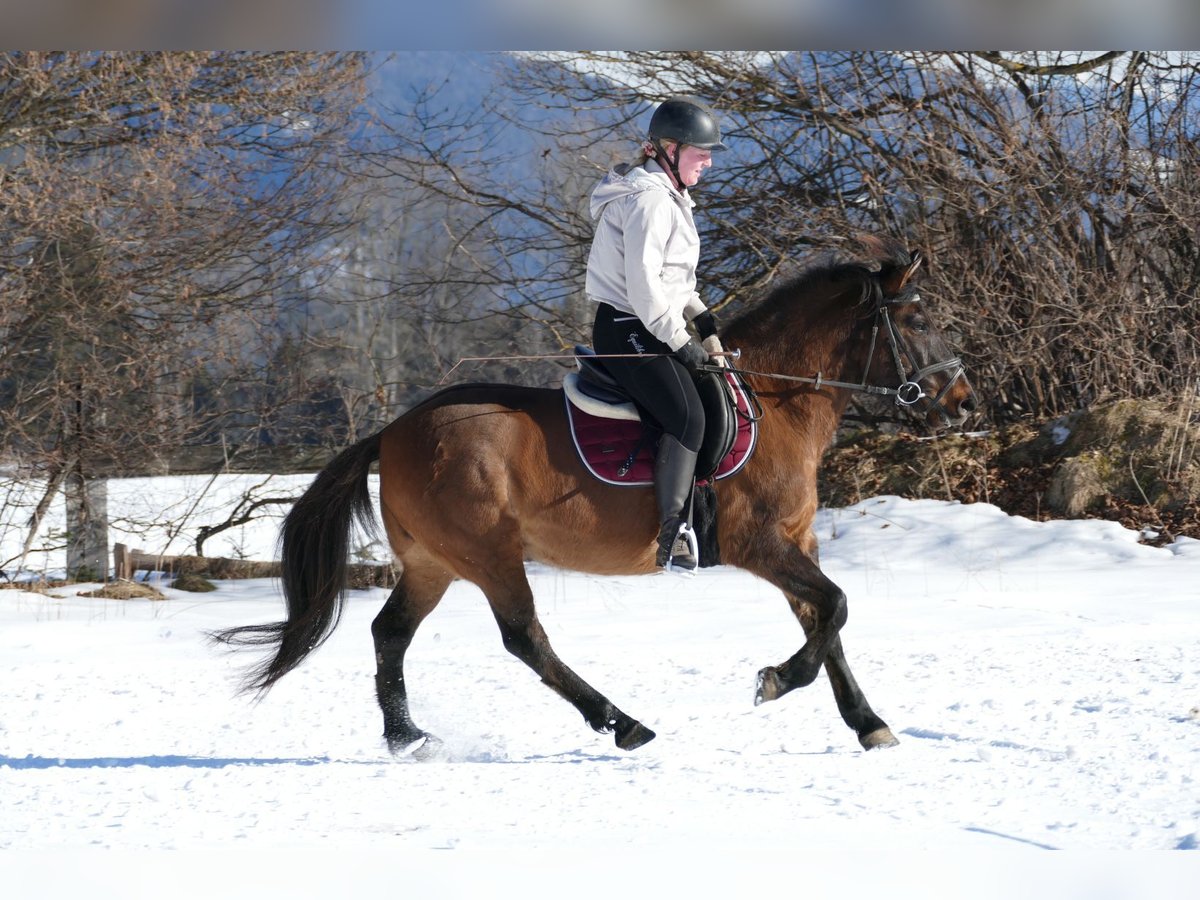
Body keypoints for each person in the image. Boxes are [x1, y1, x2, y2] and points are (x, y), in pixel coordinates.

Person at [584, 95, 728, 572]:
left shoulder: (670, 196)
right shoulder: (650, 201)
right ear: (668, 148)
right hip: (628, 326)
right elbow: (645, 289)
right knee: (687, 417)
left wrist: (702, 317)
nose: (708, 160)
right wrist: (682, 343)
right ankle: (673, 532)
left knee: (714, 395)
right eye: (700, 151)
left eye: (710, 153)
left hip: (648, 322)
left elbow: (673, 281)